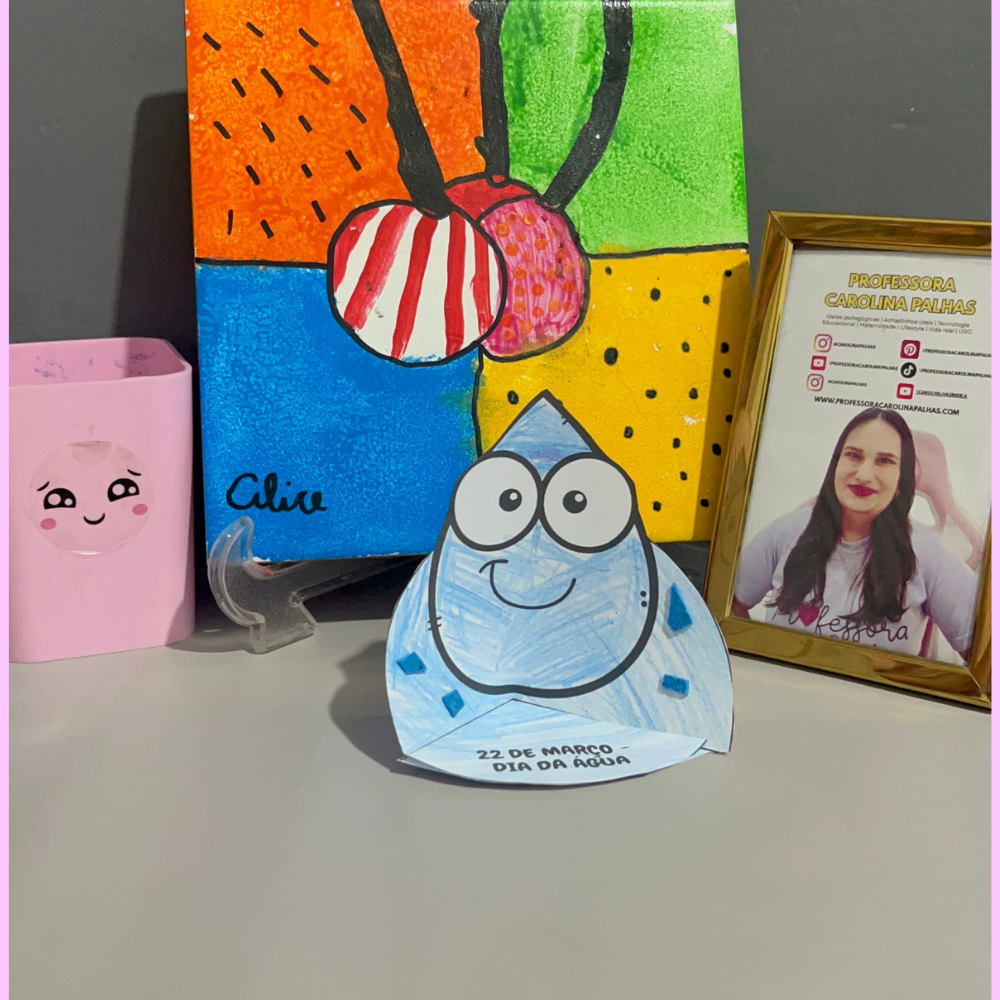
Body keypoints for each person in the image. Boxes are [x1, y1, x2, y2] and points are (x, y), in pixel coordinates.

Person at [732, 407, 978, 660]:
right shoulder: (788, 530)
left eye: (884, 461)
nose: (863, 474)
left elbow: (985, 647)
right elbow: (728, 605)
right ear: (835, 464)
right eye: (853, 455)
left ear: (901, 477)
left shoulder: (927, 551)